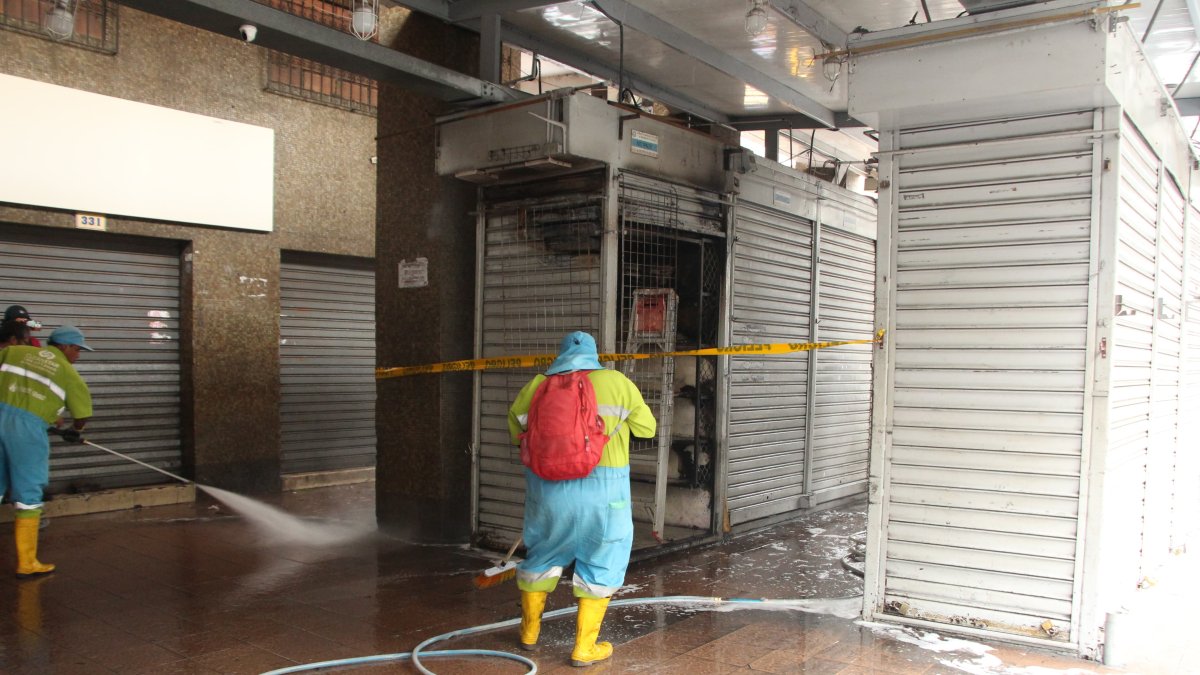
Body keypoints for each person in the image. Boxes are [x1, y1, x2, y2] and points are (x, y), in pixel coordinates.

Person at [507, 331, 656, 667]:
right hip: (604, 497)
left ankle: (529, 634)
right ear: (595, 355)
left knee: (540, 559)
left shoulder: (536, 386)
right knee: (601, 563)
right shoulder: (617, 382)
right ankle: (584, 648)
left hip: (547, 496)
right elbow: (648, 429)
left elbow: (516, 433)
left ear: (560, 356)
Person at [0, 325, 94, 578]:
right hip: (27, 433)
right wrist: (75, 428)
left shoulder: (14, 352)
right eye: (77, 349)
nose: (78, 355)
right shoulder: (66, 372)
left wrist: (48, 414)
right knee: (29, 492)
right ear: (64, 346)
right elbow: (83, 413)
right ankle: (27, 562)